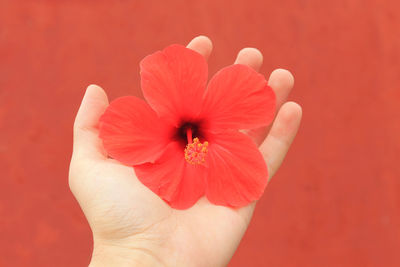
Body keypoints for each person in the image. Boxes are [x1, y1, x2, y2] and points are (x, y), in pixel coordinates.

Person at [69, 35, 302, 266]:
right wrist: (140, 248)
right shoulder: (186, 148)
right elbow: (123, 132)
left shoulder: (199, 147)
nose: (194, 151)